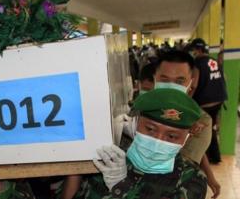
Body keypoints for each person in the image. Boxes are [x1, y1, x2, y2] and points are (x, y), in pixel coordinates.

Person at [86, 89, 207, 199]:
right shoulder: (110, 160)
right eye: (150, 129)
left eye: (171, 136)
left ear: (186, 139)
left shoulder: (191, 178)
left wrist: (120, 187)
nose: (158, 141)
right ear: (134, 125)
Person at [154, 50, 220, 198]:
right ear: (155, 79)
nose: (171, 87)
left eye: (179, 81)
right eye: (164, 79)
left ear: (191, 83)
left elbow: (183, 163)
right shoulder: (140, 109)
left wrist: (208, 175)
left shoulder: (201, 121)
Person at [189, 38, 227, 164]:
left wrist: (187, 99)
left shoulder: (198, 62)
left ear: (197, 49)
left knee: (203, 131)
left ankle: (205, 158)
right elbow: (224, 77)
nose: (193, 52)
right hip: (219, 99)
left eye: (193, 49)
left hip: (205, 102)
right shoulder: (213, 60)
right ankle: (215, 157)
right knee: (212, 128)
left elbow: (194, 84)